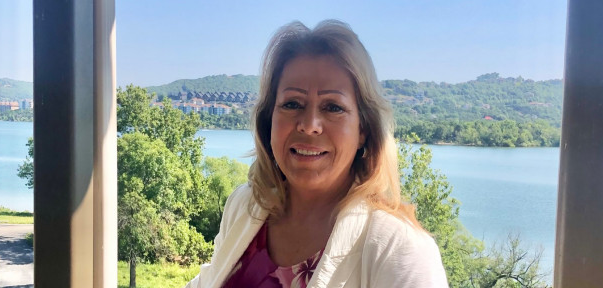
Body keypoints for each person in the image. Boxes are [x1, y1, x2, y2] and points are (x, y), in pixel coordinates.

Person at [185, 20, 449, 288]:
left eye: (333, 107)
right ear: (269, 120)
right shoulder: (245, 205)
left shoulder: (399, 249)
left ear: (363, 129)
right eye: (292, 104)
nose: (309, 125)